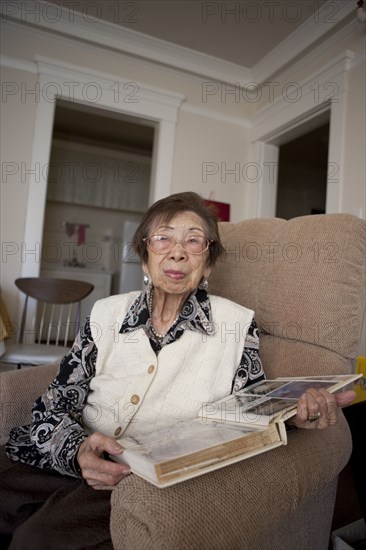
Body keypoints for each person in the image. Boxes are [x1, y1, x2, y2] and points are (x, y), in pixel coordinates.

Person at [0, 192, 355, 549]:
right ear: (145, 255)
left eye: (194, 241)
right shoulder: (105, 313)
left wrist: (295, 417)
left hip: (138, 476)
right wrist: (77, 450)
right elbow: (54, 404)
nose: (178, 251)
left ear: (208, 264)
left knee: (38, 540)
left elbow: (249, 410)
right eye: (163, 237)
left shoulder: (236, 324)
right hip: (71, 455)